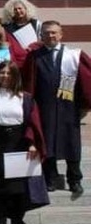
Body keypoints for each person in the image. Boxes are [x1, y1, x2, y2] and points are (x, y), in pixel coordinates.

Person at [0, 61, 49, 224]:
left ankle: (17, 218)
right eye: (2, 73)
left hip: (19, 141)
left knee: (18, 183)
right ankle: (0, 216)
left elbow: (33, 122)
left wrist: (32, 143)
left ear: (15, 76)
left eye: (9, 73)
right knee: (0, 181)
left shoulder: (25, 98)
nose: (5, 76)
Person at [22, 21, 91, 195]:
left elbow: (86, 79)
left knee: (72, 144)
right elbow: (28, 83)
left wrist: (85, 105)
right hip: (43, 107)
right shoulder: (34, 57)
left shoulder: (74, 55)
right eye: (46, 33)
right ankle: (50, 178)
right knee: (47, 142)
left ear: (61, 34)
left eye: (54, 33)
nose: (50, 36)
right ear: (41, 36)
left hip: (69, 106)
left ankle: (74, 180)